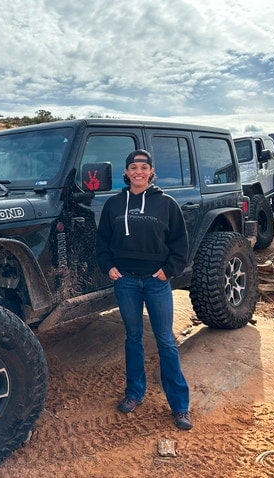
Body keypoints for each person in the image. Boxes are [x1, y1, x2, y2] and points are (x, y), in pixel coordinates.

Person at [95, 149, 192, 431]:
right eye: (133, 167)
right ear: (126, 172)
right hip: (126, 281)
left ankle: (180, 406)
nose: (138, 171)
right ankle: (134, 393)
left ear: (151, 172)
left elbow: (180, 243)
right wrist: (108, 266)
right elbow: (102, 241)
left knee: (165, 341)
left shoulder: (167, 204)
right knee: (133, 338)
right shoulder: (114, 204)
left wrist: (169, 270)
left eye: (144, 167)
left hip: (156, 281)